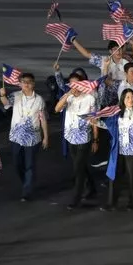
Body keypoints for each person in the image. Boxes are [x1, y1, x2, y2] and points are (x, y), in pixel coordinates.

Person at [0, 71, 48, 203]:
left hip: (33, 138)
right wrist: (2, 95)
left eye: (28, 82)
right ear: (20, 84)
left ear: (33, 84)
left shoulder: (39, 100)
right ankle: (27, 181)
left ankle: (26, 191)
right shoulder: (15, 96)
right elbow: (6, 104)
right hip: (16, 137)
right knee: (17, 163)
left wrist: (46, 137)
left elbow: (43, 119)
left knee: (29, 165)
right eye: (23, 82)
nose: (26, 84)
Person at [102, 90, 133, 210]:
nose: (130, 100)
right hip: (119, 150)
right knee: (114, 176)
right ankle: (111, 203)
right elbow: (107, 125)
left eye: (132, 97)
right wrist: (94, 121)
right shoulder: (117, 113)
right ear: (123, 100)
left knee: (132, 178)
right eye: (127, 97)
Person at [55, 74, 100, 208]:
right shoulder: (68, 98)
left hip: (84, 139)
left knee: (78, 169)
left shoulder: (90, 98)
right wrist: (67, 94)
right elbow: (57, 109)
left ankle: (76, 198)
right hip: (70, 138)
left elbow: (94, 121)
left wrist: (96, 140)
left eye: (76, 84)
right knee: (80, 165)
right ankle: (92, 187)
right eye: (71, 84)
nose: (74, 87)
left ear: (82, 84)